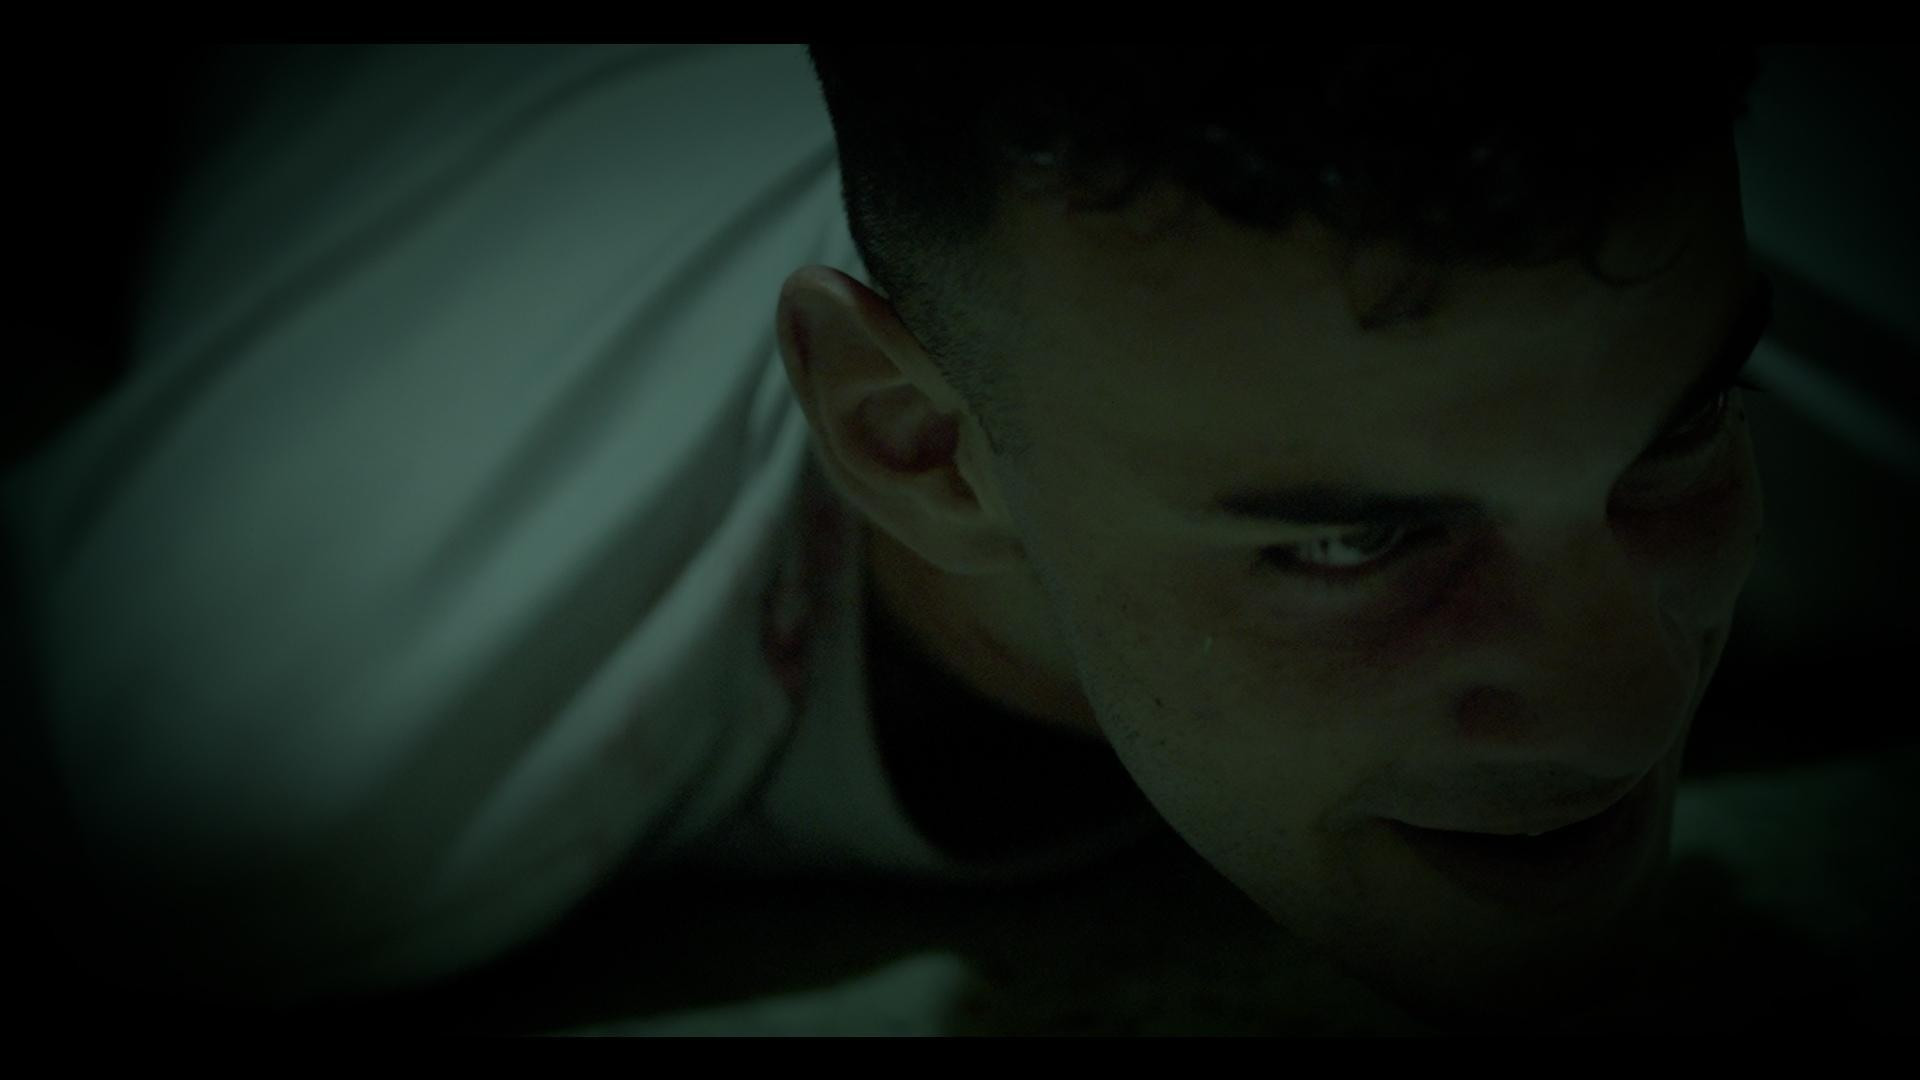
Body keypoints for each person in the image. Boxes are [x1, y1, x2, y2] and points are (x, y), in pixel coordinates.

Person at [5, 43, 1771, 1030]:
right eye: (1355, 547)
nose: (1626, 706)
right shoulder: (266, 747)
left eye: (1681, 435)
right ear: (915, 443)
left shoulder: (1782, 341)